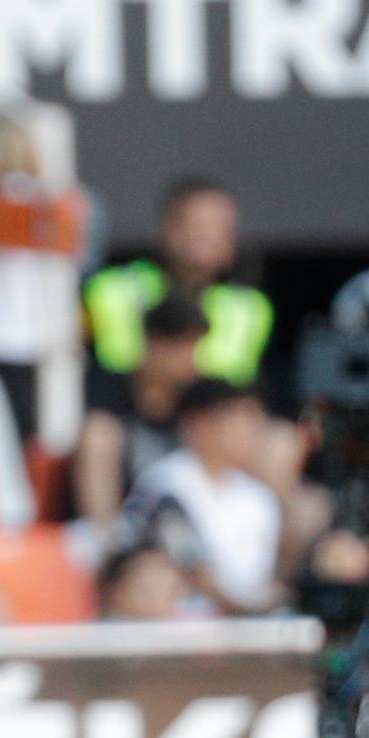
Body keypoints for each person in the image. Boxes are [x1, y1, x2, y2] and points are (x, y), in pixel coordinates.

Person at [84, 176, 273, 386]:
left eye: (217, 228)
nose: (203, 236)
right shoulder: (111, 289)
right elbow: (118, 366)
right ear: (165, 229)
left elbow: (230, 383)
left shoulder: (248, 307)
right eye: (194, 224)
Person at [117, 378, 283, 615]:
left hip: (245, 626)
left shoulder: (261, 498)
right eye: (236, 421)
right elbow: (186, 568)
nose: (248, 432)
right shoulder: (164, 483)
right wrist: (247, 606)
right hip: (175, 625)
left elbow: (260, 580)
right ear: (200, 425)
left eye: (253, 423)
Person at [74, 295, 207, 527]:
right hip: (124, 523)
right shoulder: (105, 388)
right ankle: (109, 549)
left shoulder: (200, 401)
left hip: (181, 527)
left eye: (195, 348)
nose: (191, 361)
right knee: (99, 434)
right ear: (152, 344)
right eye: (181, 347)